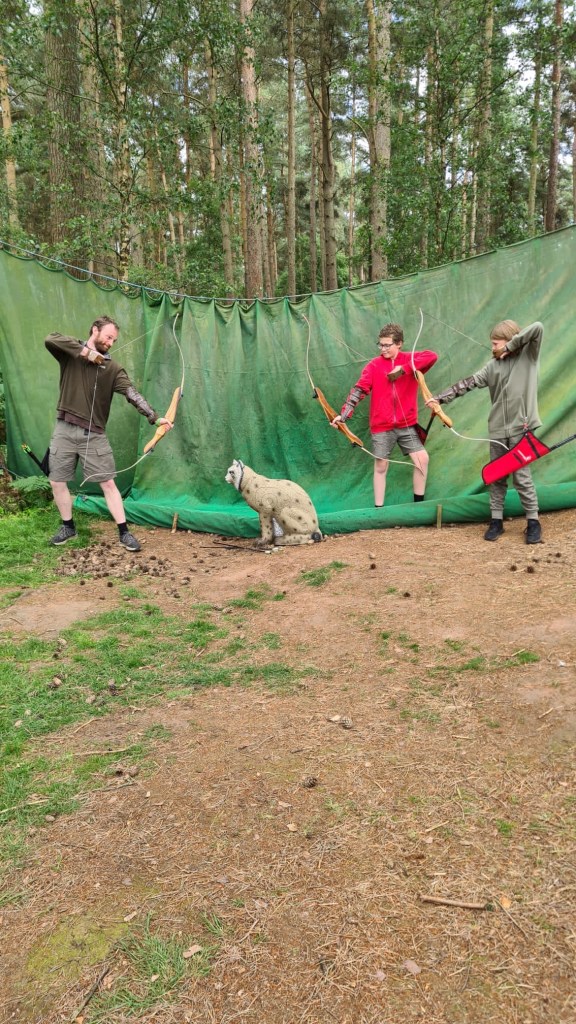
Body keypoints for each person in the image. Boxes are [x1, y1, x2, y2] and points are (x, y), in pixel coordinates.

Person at [45, 315, 173, 552]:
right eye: (108, 337)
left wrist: (155, 417)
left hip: (93, 433)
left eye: (114, 340)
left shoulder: (112, 368)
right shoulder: (71, 354)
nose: (111, 343)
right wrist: (85, 352)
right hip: (64, 428)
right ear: (95, 330)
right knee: (56, 480)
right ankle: (68, 527)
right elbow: (50, 339)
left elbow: (131, 393)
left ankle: (124, 532)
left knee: (108, 483)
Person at [428, 320, 543, 544]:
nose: (492, 347)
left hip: (522, 428)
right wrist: (439, 398)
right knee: (497, 475)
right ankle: (496, 521)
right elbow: (468, 383)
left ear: (509, 341)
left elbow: (537, 327)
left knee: (522, 477)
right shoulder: (492, 367)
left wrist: (510, 347)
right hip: (498, 430)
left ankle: (533, 521)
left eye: (496, 343)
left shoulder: (528, 357)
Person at [331, 323, 438, 507]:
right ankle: (378, 509)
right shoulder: (374, 365)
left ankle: (418, 506)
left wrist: (404, 369)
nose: (383, 349)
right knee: (381, 465)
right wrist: (343, 415)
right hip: (381, 426)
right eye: (380, 344)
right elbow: (359, 390)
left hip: (407, 424)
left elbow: (432, 356)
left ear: (399, 344)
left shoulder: (410, 360)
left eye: (387, 345)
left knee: (422, 460)